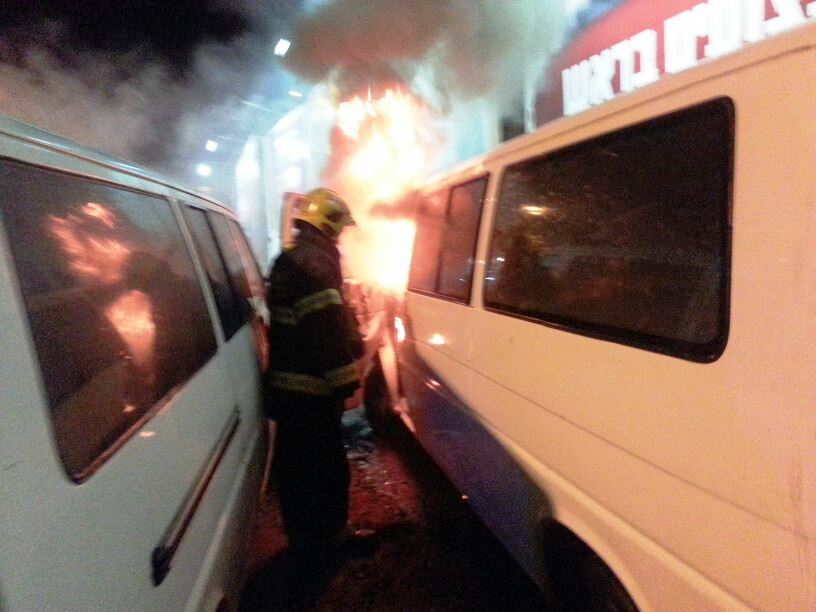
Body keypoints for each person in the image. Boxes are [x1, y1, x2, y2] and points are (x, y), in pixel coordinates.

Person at [265, 187, 367, 562]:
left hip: (289, 393)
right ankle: (331, 542)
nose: (340, 237)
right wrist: (347, 385)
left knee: (296, 473)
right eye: (339, 230)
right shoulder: (316, 265)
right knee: (326, 471)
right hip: (311, 394)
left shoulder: (290, 259)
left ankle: (304, 543)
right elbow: (324, 330)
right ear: (329, 226)